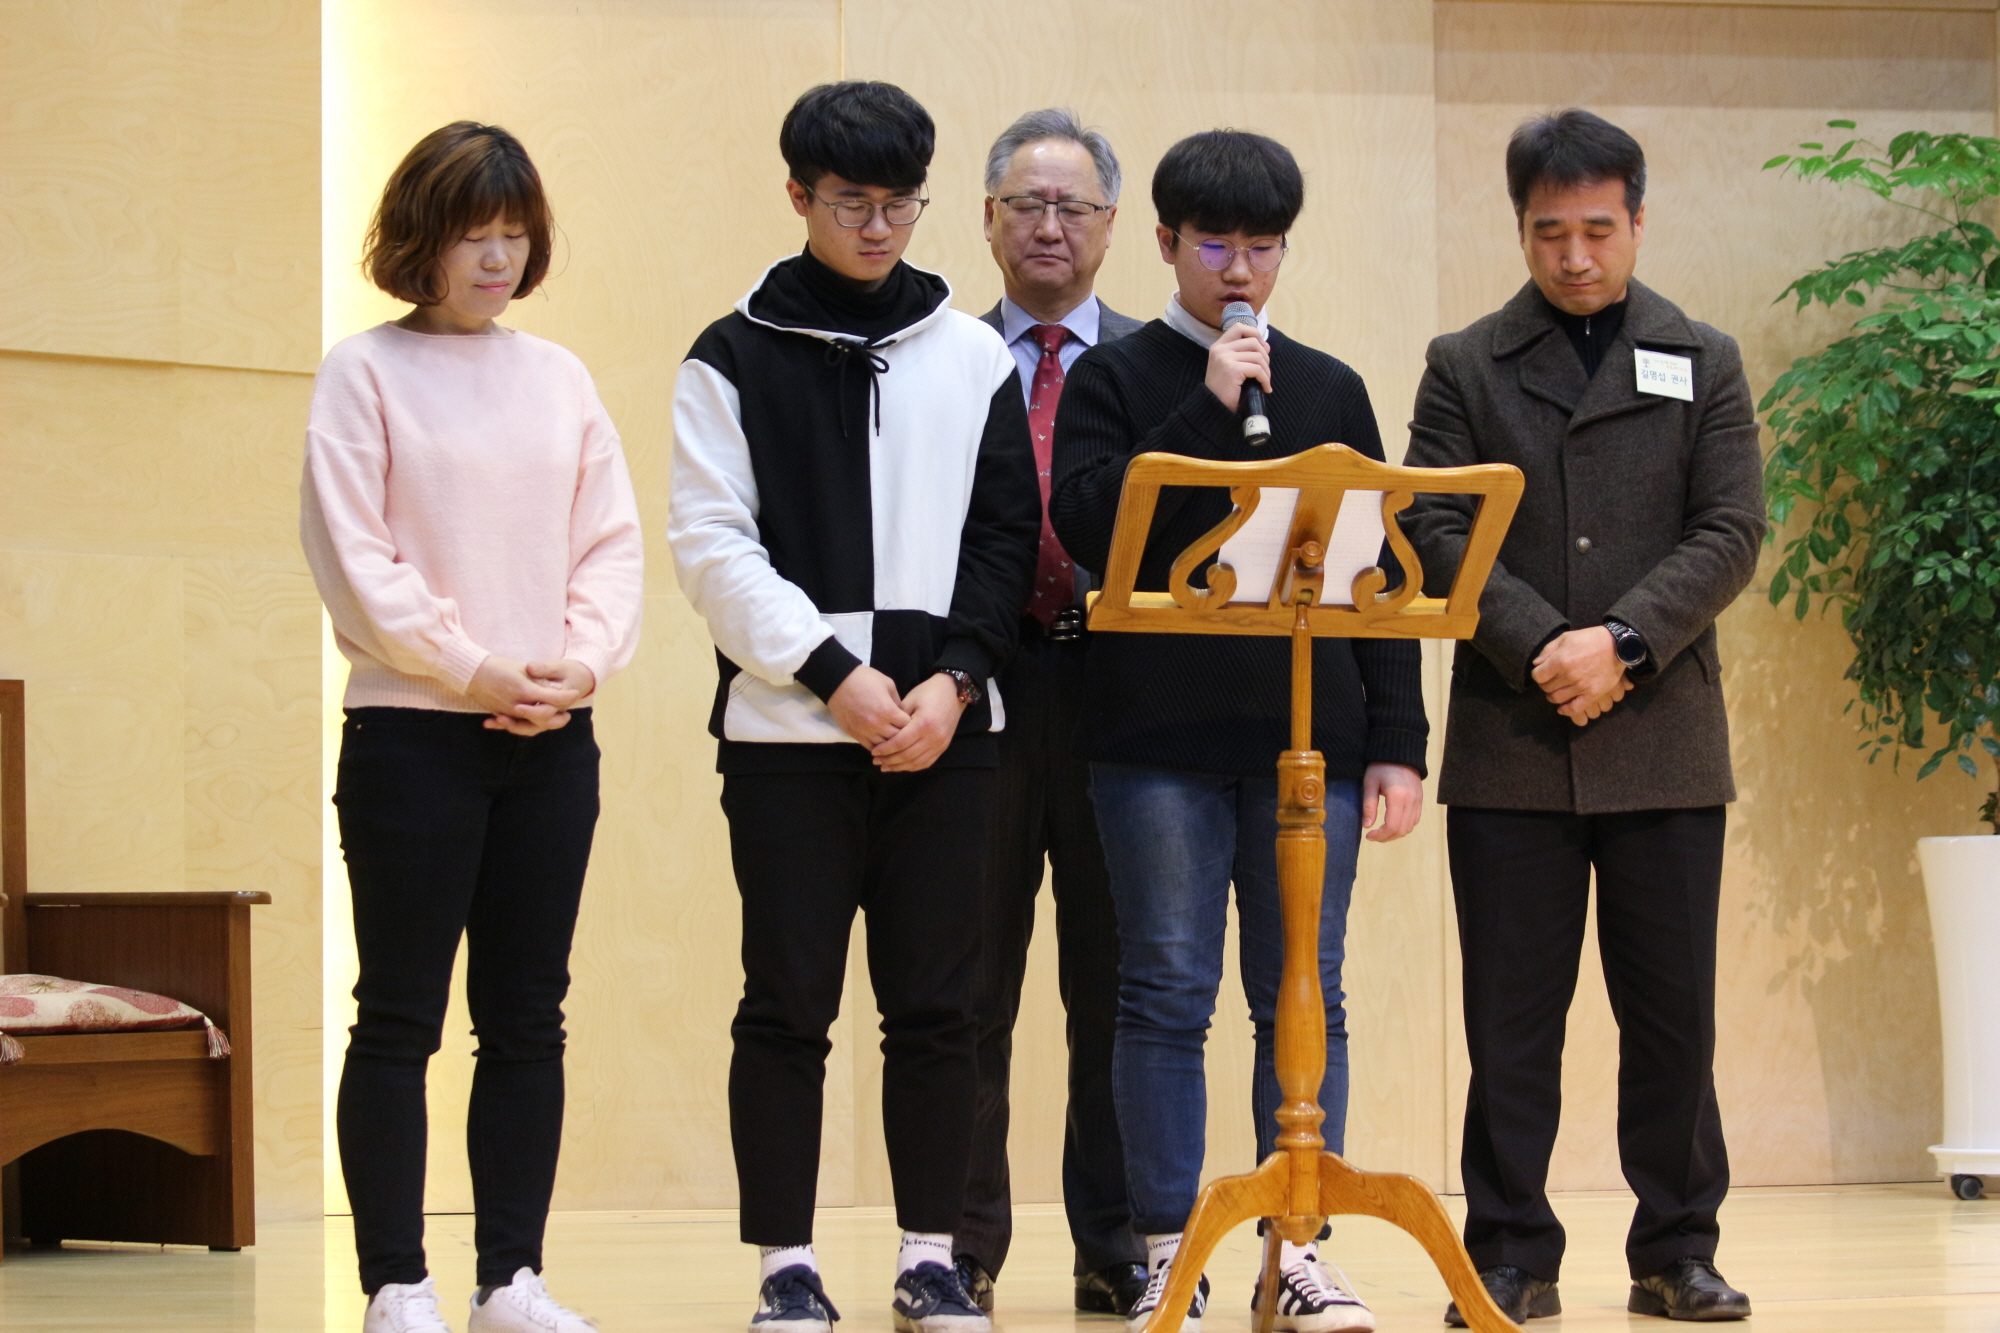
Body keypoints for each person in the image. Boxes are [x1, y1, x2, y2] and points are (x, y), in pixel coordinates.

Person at [667, 80, 1039, 1333]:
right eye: (849, 204)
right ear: (797, 196)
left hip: (946, 734)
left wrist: (956, 680)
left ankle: (932, 1257)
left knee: (940, 1008)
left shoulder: (970, 354)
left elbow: (1005, 538)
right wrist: (834, 673)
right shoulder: (730, 355)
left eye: (898, 205)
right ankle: (785, 1265)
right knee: (787, 1006)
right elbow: (713, 548)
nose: (877, 228)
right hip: (789, 735)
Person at [1049, 129, 1428, 1333]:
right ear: (1165, 244)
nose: (1240, 271)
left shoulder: (1329, 389)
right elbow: (1093, 526)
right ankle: (1170, 1248)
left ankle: (1295, 1246)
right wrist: (1206, 409)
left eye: (1262, 247)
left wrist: (1399, 737)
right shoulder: (1117, 380)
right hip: (1153, 742)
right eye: (1214, 246)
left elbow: (1377, 576)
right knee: (1165, 988)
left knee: (1305, 989)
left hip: (1306, 740)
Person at [1400, 108, 1763, 1326]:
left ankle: (1676, 1249)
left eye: (1596, 230)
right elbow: (1430, 523)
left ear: (1637, 223)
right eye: (1547, 231)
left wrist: (1619, 643)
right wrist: (1541, 645)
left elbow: (1729, 530)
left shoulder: (1701, 357)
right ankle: (1508, 1253)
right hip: (1511, 741)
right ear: (1519, 230)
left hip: (1663, 742)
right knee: (1509, 1024)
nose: (1572, 255)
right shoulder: (1464, 362)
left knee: (1671, 1021)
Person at [303, 121, 643, 1333]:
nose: (498, 260)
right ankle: (396, 1281)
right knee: (399, 1013)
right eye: (473, 238)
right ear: (420, 242)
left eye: (514, 236)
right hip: (413, 738)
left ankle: (512, 1279)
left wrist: (578, 665)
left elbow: (609, 544)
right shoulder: (363, 372)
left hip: (549, 739)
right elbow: (356, 562)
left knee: (527, 1015)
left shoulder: (559, 377)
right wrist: (475, 666)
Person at [954, 107, 1148, 1321]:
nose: (1047, 226)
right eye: (1025, 204)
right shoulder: (942, 359)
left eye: (1071, 207)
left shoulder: (1147, 366)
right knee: (966, 985)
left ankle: (1113, 1242)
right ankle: (960, 1245)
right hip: (977, 692)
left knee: (1117, 986)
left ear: (1110, 226)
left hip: (1119, 697)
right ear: (986, 219)